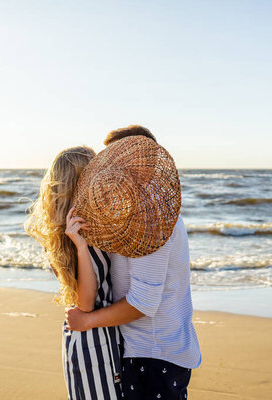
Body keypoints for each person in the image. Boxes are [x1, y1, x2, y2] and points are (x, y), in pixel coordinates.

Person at [66, 131, 202, 400]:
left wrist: (87, 321)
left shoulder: (152, 219)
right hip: (156, 350)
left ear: (143, 161)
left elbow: (143, 303)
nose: (109, 170)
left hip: (154, 353)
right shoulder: (136, 212)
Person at [24, 146, 123, 400]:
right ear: (79, 182)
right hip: (94, 346)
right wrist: (80, 247)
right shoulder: (64, 238)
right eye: (95, 173)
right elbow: (86, 303)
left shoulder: (95, 224)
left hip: (104, 337)